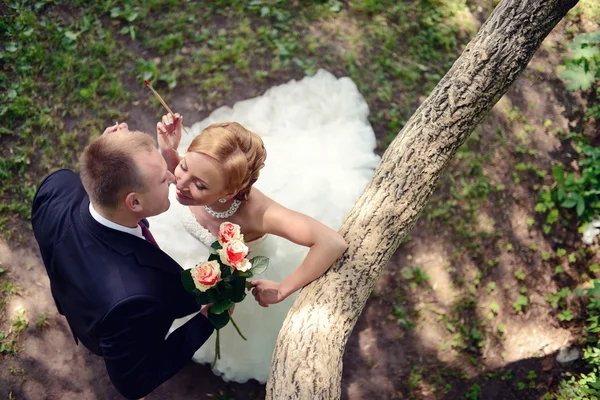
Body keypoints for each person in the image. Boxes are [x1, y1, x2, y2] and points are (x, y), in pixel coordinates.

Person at [147, 69, 380, 383]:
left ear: (229, 193)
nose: (179, 183)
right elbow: (186, 175)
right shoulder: (191, 177)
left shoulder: (259, 213)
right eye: (184, 166)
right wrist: (169, 151)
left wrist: (282, 289)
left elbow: (332, 243)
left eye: (199, 185)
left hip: (241, 272)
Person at [31, 125, 215, 399]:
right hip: (110, 322)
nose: (171, 176)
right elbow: (134, 382)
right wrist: (206, 320)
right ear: (135, 203)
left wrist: (108, 157)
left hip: (78, 295)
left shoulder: (54, 187)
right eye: (162, 180)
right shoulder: (133, 297)